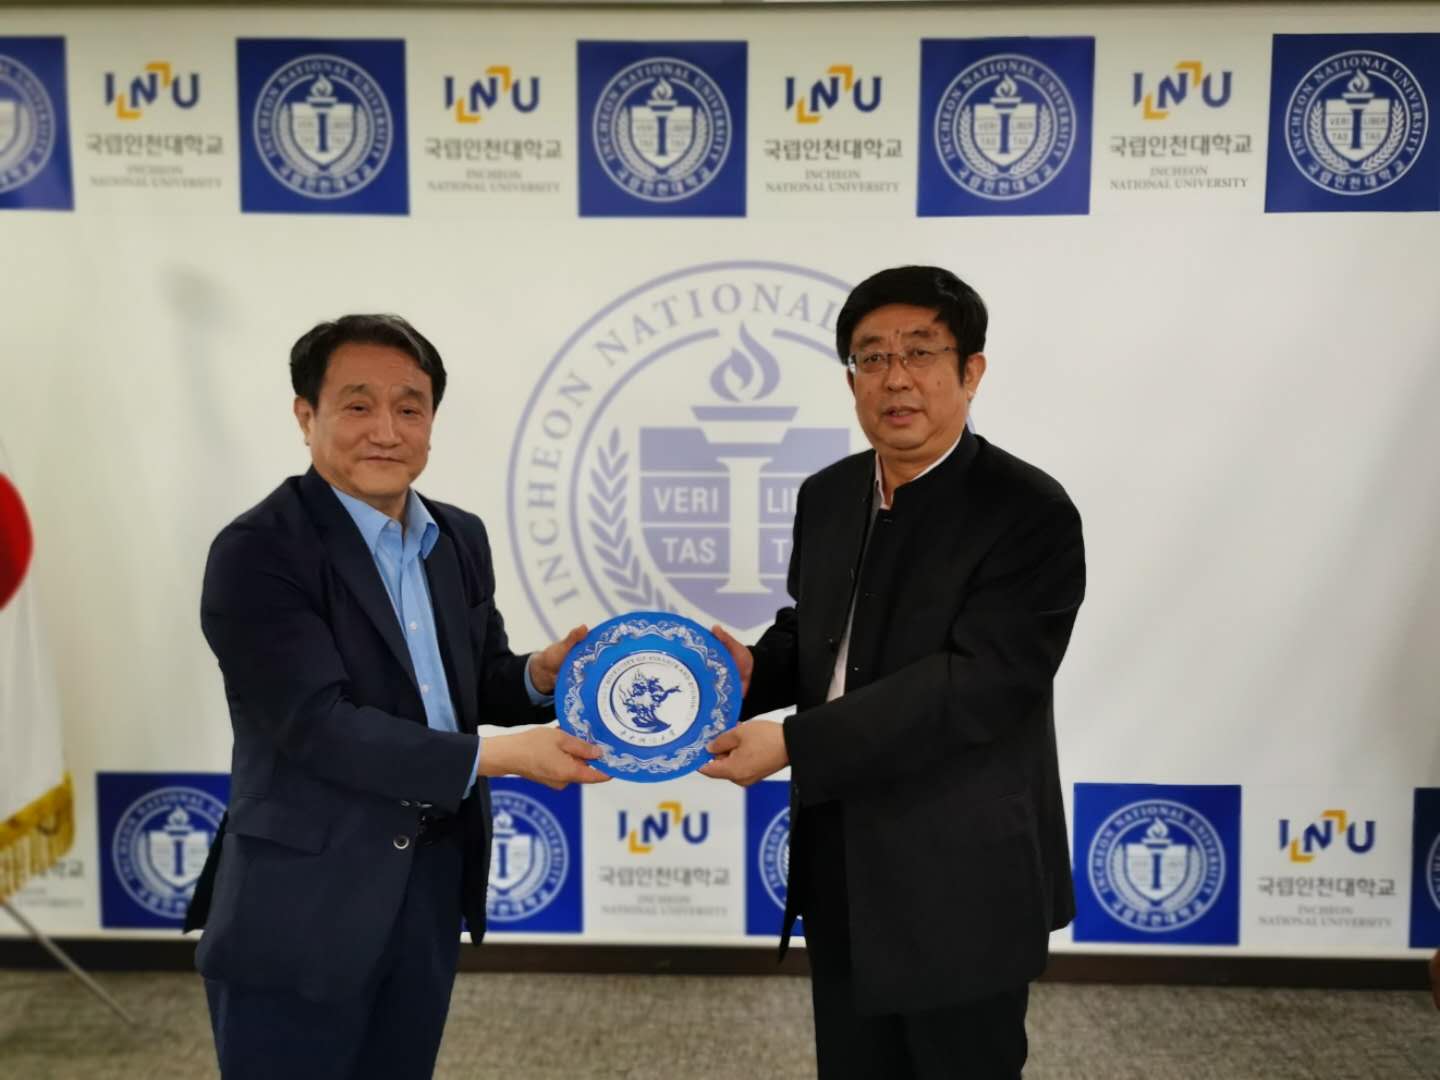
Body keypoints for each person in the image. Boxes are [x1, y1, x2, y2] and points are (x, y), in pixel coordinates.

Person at [186, 314, 608, 1080]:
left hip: (429, 880)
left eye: (409, 408)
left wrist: (538, 677)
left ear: (431, 422)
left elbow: (469, 682)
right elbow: (318, 726)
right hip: (303, 895)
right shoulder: (259, 550)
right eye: (358, 405)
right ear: (306, 415)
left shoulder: (457, 536)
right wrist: (501, 757)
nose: (386, 430)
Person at [701, 266, 1085, 1079]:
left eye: (920, 352)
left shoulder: (1030, 511)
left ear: (971, 371)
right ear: (851, 380)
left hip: (963, 869)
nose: (895, 377)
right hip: (841, 853)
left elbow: (978, 685)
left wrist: (795, 742)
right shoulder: (829, 494)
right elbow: (819, 635)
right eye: (872, 357)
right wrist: (746, 672)